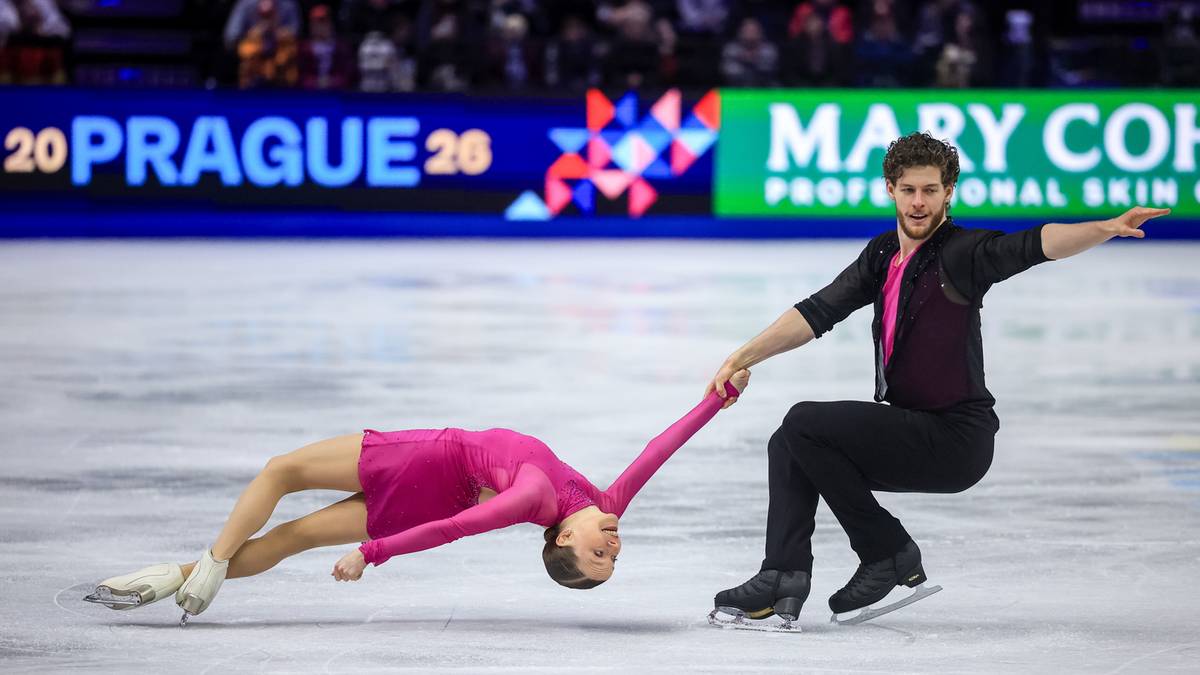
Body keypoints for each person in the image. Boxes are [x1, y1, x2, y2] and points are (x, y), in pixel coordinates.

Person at [704, 131, 1170, 627]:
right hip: (910, 426)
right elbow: (819, 310)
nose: (920, 202)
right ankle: (783, 575)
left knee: (804, 422)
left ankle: (888, 553)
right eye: (909, 190)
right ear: (891, 189)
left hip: (955, 439)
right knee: (788, 442)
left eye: (931, 190)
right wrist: (742, 356)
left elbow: (1036, 243)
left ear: (949, 192)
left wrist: (1104, 227)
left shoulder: (964, 253)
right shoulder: (882, 254)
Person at [85, 371, 751, 622]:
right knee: (288, 537)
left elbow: (458, 529)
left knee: (281, 469)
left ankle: (207, 559)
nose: (613, 546)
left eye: (597, 557)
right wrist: (713, 403)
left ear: (560, 540)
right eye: (613, 557)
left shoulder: (535, 496)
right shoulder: (607, 499)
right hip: (419, 496)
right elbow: (659, 450)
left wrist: (373, 552)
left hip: (423, 458)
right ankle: (179, 576)